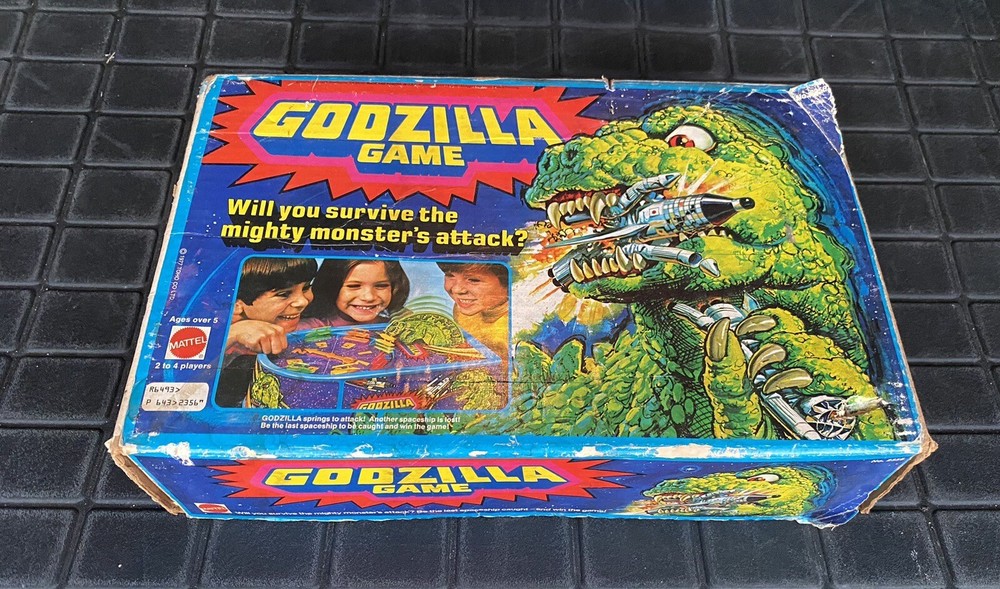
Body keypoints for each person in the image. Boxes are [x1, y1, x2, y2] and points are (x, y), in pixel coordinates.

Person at [217, 257, 317, 407]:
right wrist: (232, 333)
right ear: (237, 304)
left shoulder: (306, 328)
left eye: (306, 288)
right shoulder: (217, 331)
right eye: (283, 294)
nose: (302, 301)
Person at [300, 259, 410, 327]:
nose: (369, 297)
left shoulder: (398, 326)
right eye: (354, 286)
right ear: (331, 287)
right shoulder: (311, 327)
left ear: (395, 287)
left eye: (381, 286)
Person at [438, 262, 510, 363]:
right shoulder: (464, 309)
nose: (456, 289)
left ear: (508, 283)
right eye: (450, 275)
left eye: (473, 280)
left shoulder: (513, 329)